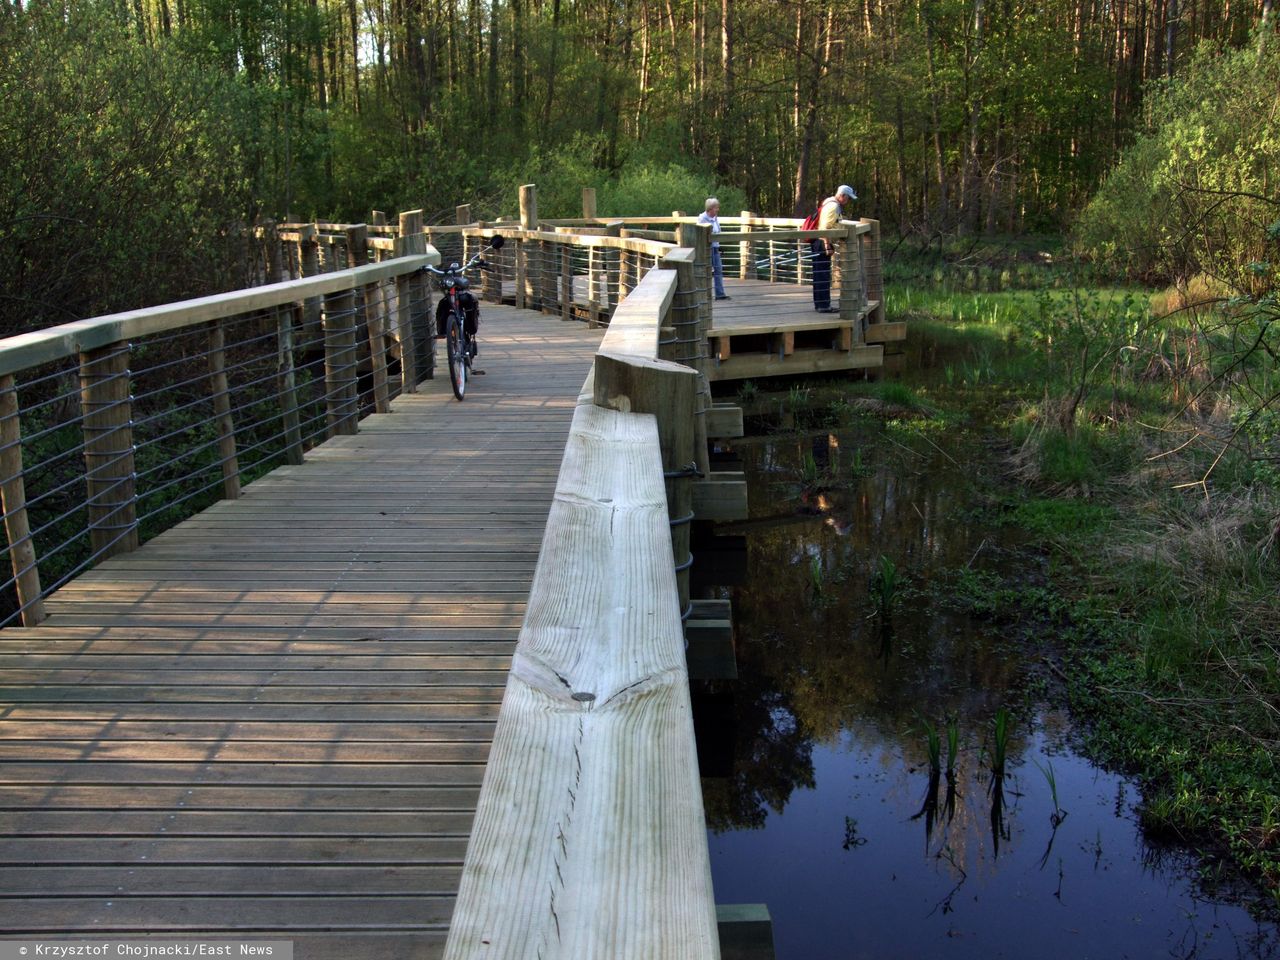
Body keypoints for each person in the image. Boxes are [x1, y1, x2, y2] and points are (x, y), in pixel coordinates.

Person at [810, 184, 856, 313]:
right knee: (823, 274)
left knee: (819, 274)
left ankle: (820, 305)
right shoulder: (834, 206)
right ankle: (824, 305)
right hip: (822, 241)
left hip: (819, 240)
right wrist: (827, 245)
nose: (848, 201)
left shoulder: (829, 202)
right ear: (842, 195)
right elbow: (825, 227)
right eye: (848, 198)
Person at [698, 198, 730, 300]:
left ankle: (720, 294)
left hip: (715, 248)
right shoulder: (702, 219)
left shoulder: (715, 218)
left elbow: (717, 232)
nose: (718, 209)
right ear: (710, 208)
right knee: (706, 271)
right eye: (716, 208)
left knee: (718, 270)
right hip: (707, 250)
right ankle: (705, 295)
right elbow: (702, 235)